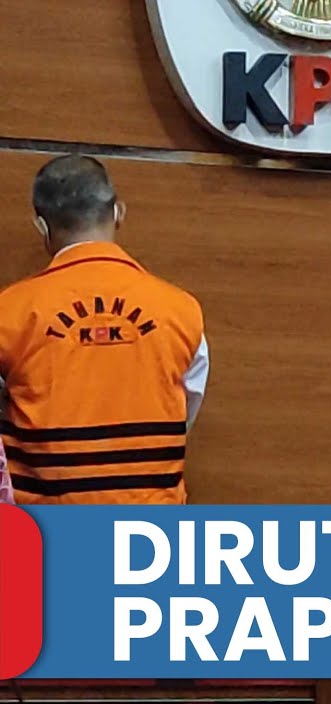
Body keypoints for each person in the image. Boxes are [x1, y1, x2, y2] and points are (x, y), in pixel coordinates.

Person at [0, 154, 208, 504]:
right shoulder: (183, 310)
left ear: (42, 226)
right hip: (151, 528)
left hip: (45, 527)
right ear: (118, 213)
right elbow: (184, 415)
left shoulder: (9, 311)